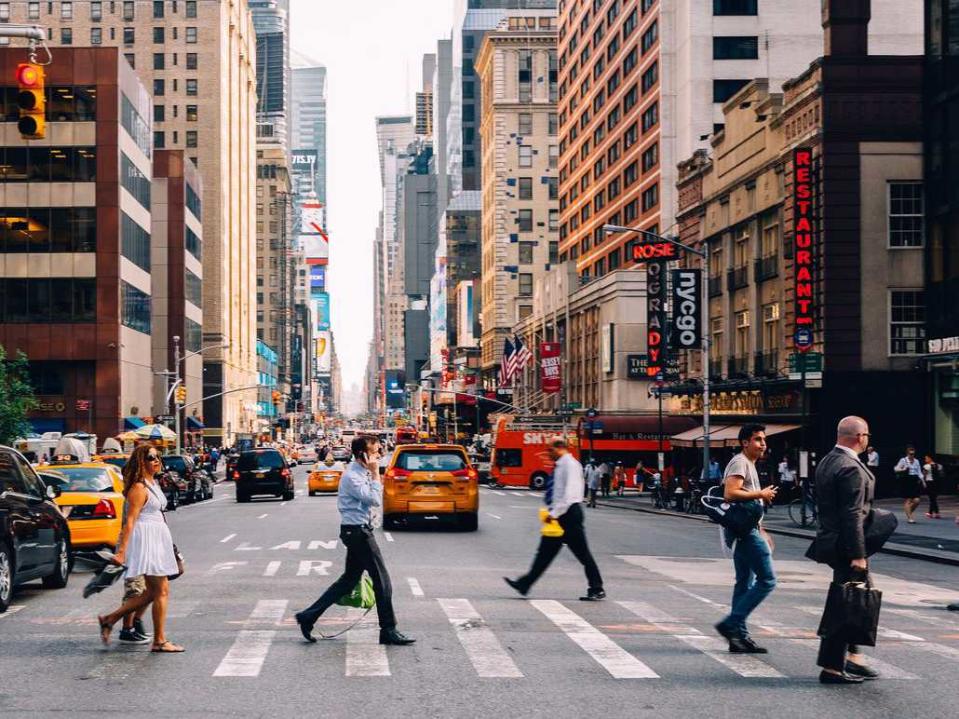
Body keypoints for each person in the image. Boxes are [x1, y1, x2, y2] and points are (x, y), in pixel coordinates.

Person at [295, 435, 414, 646]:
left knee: (348, 581)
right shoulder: (353, 476)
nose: (379, 455)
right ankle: (388, 629)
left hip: (358, 531)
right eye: (375, 451)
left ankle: (308, 616)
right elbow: (374, 499)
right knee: (382, 581)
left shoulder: (362, 473)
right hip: (357, 533)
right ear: (362, 454)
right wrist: (376, 473)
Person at [97, 445, 184, 653]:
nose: (156, 460)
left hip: (157, 537)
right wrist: (121, 552)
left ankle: (110, 619)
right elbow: (130, 521)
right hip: (146, 540)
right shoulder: (138, 487)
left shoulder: (152, 483)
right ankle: (159, 641)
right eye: (151, 457)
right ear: (141, 462)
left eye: (158, 457)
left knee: (153, 591)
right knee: (161, 590)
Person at [812, 416, 878, 684]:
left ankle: (854, 658)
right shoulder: (850, 466)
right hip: (846, 545)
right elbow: (852, 514)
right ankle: (831, 668)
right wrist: (858, 555)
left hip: (832, 540)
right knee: (846, 605)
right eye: (867, 436)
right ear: (860, 437)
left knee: (854, 600)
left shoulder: (829, 460)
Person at [504, 439, 604, 601]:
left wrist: (554, 514)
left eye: (550, 450)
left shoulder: (570, 465)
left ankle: (597, 588)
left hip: (568, 514)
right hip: (560, 514)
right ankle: (524, 584)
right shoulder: (561, 465)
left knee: (582, 553)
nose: (548, 453)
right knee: (544, 553)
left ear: (560, 448)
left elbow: (570, 494)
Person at [714, 424, 778, 654]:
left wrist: (763, 529)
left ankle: (738, 637)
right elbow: (730, 493)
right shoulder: (740, 462)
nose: (763, 444)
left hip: (747, 530)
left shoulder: (747, 463)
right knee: (767, 580)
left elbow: (749, 505)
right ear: (745, 442)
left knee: (744, 582)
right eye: (758, 439)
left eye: (764, 440)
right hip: (744, 533)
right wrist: (761, 494)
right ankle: (731, 624)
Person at [894, 446, 923, 523]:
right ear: (907, 454)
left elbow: (919, 472)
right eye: (910, 454)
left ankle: (909, 512)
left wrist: (923, 480)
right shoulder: (903, 460)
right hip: (906, 480)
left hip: (915, 480)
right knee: (908, 499)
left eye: (913, 454)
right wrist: (903, 469)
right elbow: (896, 469)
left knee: (917, 500)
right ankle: (910, 518)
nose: (912, 455)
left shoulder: (917, 461)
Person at [923, 454, 943, 519]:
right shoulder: (939, 466)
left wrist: (923, 482)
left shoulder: (926, 466)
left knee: (932, 498)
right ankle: (930, 513)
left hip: (930, 483)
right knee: (933, 498)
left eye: (926, 458)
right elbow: (941, 474)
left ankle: (937, 513)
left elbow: (924, 475)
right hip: (937, 483)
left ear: (930, 458)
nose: (925, 460)